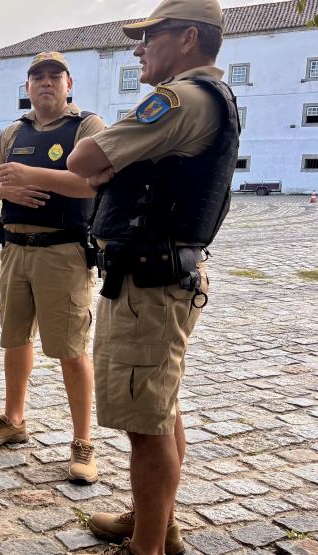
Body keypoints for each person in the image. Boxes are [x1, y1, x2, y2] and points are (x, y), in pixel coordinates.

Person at [67, 0, 240, 553]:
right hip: (157, 276)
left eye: (150, 36)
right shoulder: (209, 98)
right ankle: (155, 520)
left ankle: (148, 546)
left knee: (148, 425)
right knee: (157, 407)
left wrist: (105, 160)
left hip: (150, 282)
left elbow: (84, 158)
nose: (139, 48)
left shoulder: (179, 98)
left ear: (188, 38)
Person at [0, 51, 105, 485]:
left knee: (70, 348)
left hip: (63, 251)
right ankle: (13, 419)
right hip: (15, 249)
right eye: (37, 77)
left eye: (54, 76)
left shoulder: (86, 127)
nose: (45, 83)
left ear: (69, 84)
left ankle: (83, 441)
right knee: (14, 338)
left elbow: (91, 182)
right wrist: (9, 185)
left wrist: (32, 176)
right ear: (27, 87)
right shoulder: (15, 131)